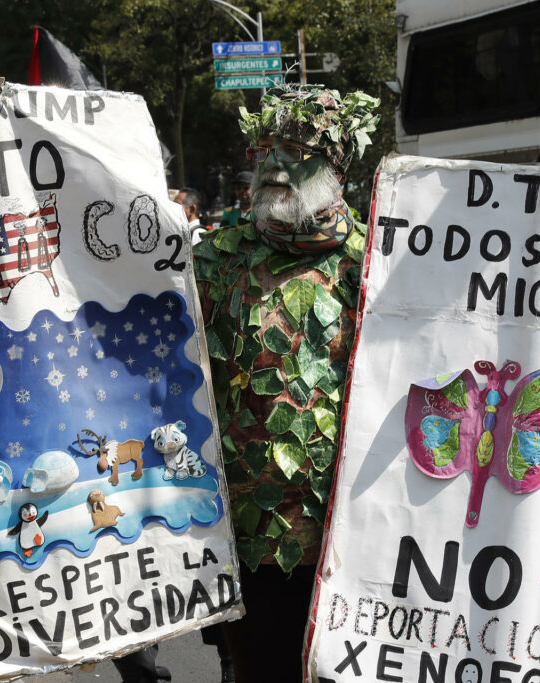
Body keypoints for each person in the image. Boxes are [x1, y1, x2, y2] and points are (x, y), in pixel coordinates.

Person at [193, 83, 379, 681]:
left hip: (351, 536)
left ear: (335, 167)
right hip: (251, 540)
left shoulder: (376, 262)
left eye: (294, 150)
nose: (274, 166)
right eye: (265, 150)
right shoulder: (215, 261)